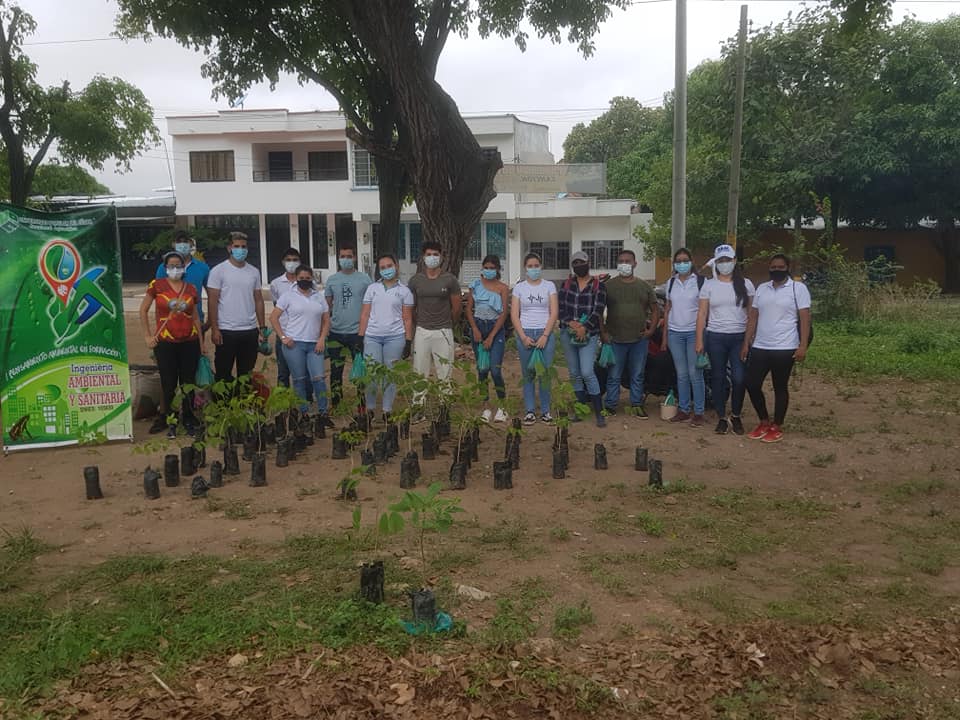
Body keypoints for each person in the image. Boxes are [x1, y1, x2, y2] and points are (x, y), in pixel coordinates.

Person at [741, 253, 812, 443]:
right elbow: (753, 317)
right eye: (773, 267)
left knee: (780, 387)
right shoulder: (762, 289)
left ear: (788, 268)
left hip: (785, 346)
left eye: (781, 267)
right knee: (752, 383)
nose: (776, 270)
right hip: (760, 346)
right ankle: (764, 421)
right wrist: (746, 342)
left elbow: (805, 318)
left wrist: (802, 345)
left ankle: (777, 425)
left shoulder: (798, 289)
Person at [140, 251, 204, 438]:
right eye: (171, 265)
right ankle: (168, 418)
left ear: (184, 267)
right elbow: (143, 310)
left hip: (189, 342)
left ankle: (189, 417)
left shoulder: (191, 288)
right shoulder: (157, 285)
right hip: (166, 342)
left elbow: (195, 316)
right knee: (168, 383)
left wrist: (201, 342)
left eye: (178, 265)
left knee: (188, 382)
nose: (175, 268)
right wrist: (147, 336)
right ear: (165, 267)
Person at [696, 244, 755, 434]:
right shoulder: (709, 285)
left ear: (734, 261)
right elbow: (702, 313)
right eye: (721, 261)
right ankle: (722, 417)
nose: (724, 264)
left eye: (727, 260)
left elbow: (751, 315)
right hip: (715, 337)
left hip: (738, 338)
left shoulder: (746, 284)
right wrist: (699, 339)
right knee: (718, 378)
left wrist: (748, 341)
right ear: (716, 262)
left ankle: (736, 415)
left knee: (739, 378)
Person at [407, 241, 461, 420]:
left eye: (435, 254)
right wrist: (419, 323)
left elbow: (456, 307)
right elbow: (411, 307)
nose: (432, 258)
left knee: (444, 372)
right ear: (423, 257)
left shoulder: (450, 280)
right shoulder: (416, 280)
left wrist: (447, 323)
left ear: (442, 257)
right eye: (429, 254)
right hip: (422, 331)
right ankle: (418, 409)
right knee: (419, 371)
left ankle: (444, 409)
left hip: (444, 331)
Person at [602, 248, 659, 420]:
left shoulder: (644, 286)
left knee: (637, 373)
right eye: (621, 261)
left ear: (635, 263)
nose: (624, 264)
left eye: (628, 261)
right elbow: (598, 310)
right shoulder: (608, 286)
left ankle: (636, 404)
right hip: (615, 338)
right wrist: (602, 332)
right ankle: (611, 405)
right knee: (614, 374)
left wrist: (651, 330)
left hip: (639, 339)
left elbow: (655, 310)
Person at [358, 254, 414, 421]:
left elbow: (407, 318)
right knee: (372, 373)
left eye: (389, 265)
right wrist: (360, 337)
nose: (386, 270)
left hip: (395, 338)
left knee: (390, 374)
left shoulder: (404, 291)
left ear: (396, 265)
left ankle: (387, 410)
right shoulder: (372, 289)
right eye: (382, 267)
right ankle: (369, 408)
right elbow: (365, 314)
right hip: (372, 337)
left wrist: (408, 340)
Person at [269, 265, 331, 415]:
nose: (305, 281)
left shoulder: (318, 296)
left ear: (312, 279)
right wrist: (283, 337)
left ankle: (323, 412)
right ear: (296, 279)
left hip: (314, 344)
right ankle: (303, 413)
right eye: (301, 278)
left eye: (308, 278)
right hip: (294, 344)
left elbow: (326, 320)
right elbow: (273, 317)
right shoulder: (288, 296)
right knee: (299, 379)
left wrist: (322, 339)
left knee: (319, 379)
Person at [207, 232, 266, 383]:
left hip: (249, 330)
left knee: (246, 373)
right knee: (223, 372)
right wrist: (215, 328)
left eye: (244, 247)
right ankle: (223, 405)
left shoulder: (254, 272)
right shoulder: (218, 271)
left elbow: (258, 300)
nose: (240, 250)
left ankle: (244, 404)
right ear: (229, 248)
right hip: (227, 330)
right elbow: (212, 302)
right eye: (237, 246)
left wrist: (262, 326)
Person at [558, 251, 607, 427]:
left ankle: (599, 413)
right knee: (574, 373)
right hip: (567, 332)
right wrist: (572, 324)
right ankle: (579, 410)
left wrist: (584, 327)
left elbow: (598, 310)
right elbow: (560, 309)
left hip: (589, 334)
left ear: (588, 263)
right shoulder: (566, 284)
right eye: (575, 262)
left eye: (582, 262)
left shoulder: (598, 286)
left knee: (587, 371)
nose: (579, 265)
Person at [511, 252, 559, 425]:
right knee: (528, 373)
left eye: (536, 265)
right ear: (525, 268)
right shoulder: (519, 288)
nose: (533, 269)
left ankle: (546, 411)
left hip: (544, 333)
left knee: (544, 373)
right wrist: (522, 336)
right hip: (525, 334)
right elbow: (514, 315)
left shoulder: (549, 286)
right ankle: (530, 411)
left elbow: (554, 312)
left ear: (541, 266)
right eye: (530, 266)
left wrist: (546, 335)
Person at [324, 246, 372, 410]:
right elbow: (327, 306)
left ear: (355, 258)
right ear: (338, 258)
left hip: (357, 332)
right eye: (343, 256)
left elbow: (370, 304)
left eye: (349, 256)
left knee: (360, 370)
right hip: (336, 332)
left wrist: (364, 331)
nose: (346, 259)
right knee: (336, 370)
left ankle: (361, 404)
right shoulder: (332, 280)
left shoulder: (365, 279)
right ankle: (336, 404)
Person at [662, 247, 706, 425]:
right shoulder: (671, 283)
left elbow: (704, 310)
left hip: (693, 333)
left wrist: (701, 337)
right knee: (681, 374)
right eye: (678, 261)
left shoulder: (701, 282)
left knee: (695, 373)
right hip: (675, 333)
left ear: (692, 261)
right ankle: (684, 409)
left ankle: (699, 412)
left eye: (685, 260)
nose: (682, 264)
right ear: (674, 264)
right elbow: (667, 309)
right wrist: (665, 337)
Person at [466, 255, 510, 423]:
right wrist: (475, 330)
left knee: (495, 370)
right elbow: (469, 309)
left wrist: (491, 336)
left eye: (493, 268)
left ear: (498, 269)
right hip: (478, 327)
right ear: (482, 268)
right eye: (486, 267)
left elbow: (504, 313)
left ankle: (502, 406)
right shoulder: (475, 286)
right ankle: (485, 407)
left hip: (495, 329)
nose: (489, 270)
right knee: (482, 369)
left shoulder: (503, 288)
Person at [156, 229, 210, 327]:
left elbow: (211, 295)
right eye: (179, 242)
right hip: (170, 322)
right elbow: (158, 296)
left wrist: (210, 320)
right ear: (173, 244)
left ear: (191, 243)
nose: (182, 244)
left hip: (195, 321)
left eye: (185, 241)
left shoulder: (203, 268)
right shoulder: (163, 268)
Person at [269, 247, 304, 390]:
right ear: (283, 262)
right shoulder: (276, 284)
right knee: (283, 372)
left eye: (295, 260)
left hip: (302, 333)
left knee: (303, 371)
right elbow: (276, 308)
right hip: (283, 333)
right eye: (289, 260)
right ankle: (284, 403)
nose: (292, 263)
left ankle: (305, 400)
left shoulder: (306, 282)